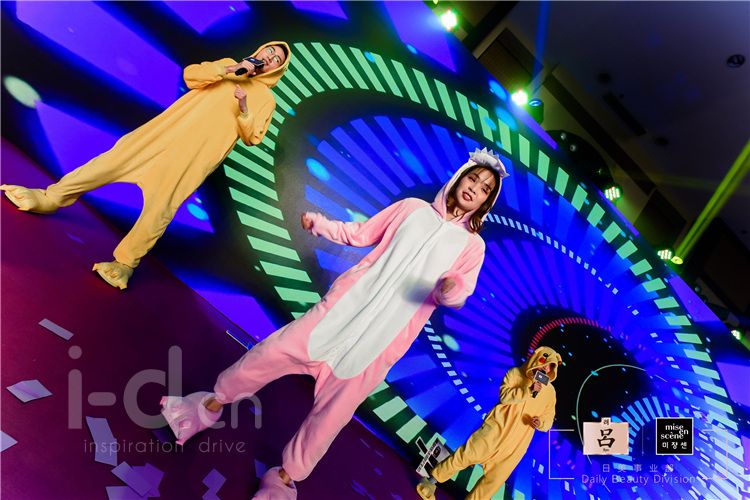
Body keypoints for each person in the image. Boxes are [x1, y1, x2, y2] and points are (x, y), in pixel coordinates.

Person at [159, 148, 510, 499]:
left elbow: (460, 291)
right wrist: (322, 225)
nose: (474, 189)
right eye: (472, 179)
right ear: (458, 178)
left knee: (330, 419)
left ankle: (283, 480)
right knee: (269, 353)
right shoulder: (412, 209)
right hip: (341, 313)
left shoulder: (471, 247)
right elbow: (362, 233)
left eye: (484, 189)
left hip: (378, 344)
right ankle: (207, 407)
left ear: (486, 203)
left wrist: (449, 289)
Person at [1, 42, 291, 290]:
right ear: (260, 51)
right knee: (106, 165)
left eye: (276, 59)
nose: (269, 58)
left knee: (159, 209)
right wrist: (230, 70)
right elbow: (191, 76)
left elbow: (253, 137)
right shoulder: (229, 66)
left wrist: (244, 107)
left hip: (192, 158)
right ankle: (50, 198)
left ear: (277, 69)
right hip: (160, 136)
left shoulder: (266, 99)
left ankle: (124, 264)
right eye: (269, 51)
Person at [417, 346, 562, 500]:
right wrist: (528, 390)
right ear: (535, 359)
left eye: (551, 366)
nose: (546, 368)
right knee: (465, 455)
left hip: (516, 445)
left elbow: (548, 419)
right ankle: (431, 481)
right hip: (495, 430)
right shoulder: (515, 374)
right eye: (544, 362)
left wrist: (540, 422)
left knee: (493, 482)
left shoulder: (550, 393)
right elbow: (504, 397)